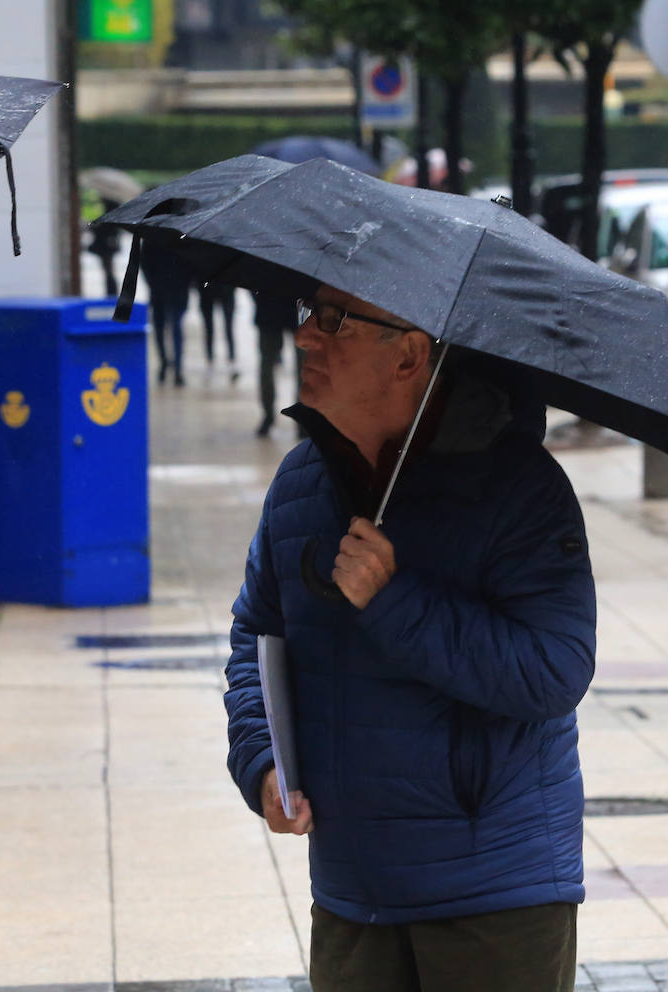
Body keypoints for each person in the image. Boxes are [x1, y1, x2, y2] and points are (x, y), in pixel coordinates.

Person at [224, 285, 596, 992]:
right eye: (306, 312)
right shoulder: (301, 482)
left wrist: (394, 601)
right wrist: (263, 759)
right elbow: (256, 634)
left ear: (409, 356)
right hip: (351, 891)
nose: (305, 337)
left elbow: (554, 672)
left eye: (334, 321)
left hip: (492, 895)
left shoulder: (520, 489)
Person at [140, 239, 192, 386]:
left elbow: (145, 262)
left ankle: (172, 366)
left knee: (168, 327)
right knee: (170, 327)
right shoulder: (181, 236)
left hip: (168, 290)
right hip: (169, 290)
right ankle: (171, 365)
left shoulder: (155, 236)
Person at [252, 290, 299, 435]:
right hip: (295, 309)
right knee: (305, 367)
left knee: (267, 366)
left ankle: (268, 415)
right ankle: (302, 416)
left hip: (269, 308)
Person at [197, 277, 238, 382]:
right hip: (209, 289)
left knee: (227, 328)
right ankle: (211, 361)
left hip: (224, 288)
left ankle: (231, 361)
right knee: (210, 329)